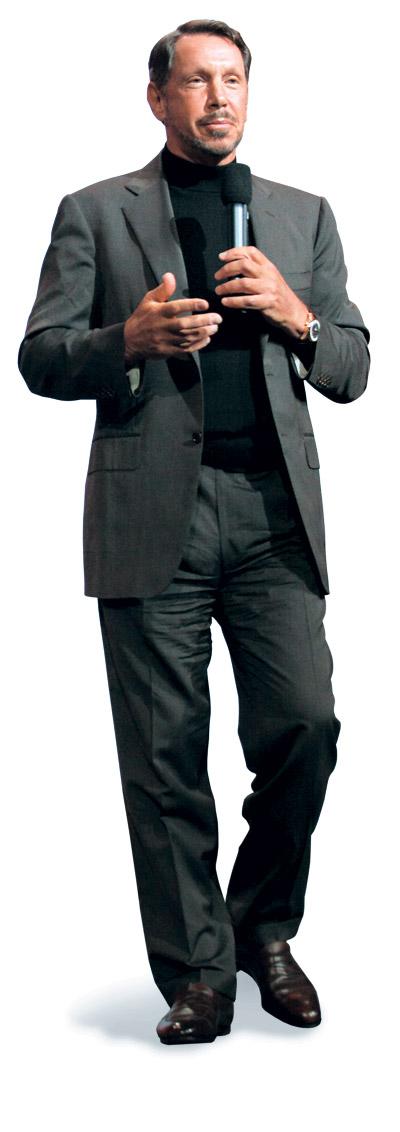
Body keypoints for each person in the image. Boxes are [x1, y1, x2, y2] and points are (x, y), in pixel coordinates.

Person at [18, 19, 370, 1045]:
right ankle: (199, 974)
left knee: (305, 726)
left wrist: (296, 313)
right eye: (197, 81)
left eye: (233, 79)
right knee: (164, 757)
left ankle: (261, 926)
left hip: (271, 515)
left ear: (248, 93)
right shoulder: (95, 211)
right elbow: (40, 356)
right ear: (157, 97)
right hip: (149, 515)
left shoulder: (304, 214)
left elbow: (351, 367)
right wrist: (125, 338)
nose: (218, 97)